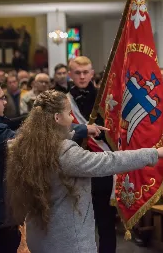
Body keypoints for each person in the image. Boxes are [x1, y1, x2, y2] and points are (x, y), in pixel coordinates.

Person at [5, 90, 163, 253]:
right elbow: (109, 161)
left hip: (39, 236)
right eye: (68, 113)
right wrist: (152, 153)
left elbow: (51, 142)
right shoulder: (64, 152)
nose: (72, 117)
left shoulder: (25, 145)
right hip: (67, 240)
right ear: (57, 117)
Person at [0, 78, 100, 253]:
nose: (5, 102)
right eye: (1, 98)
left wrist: (44, 115)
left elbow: (13, 122)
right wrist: (79, 129)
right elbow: (36, 141)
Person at [67, 56, 117, 253]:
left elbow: (115, 131)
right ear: (70, 74)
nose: (81, 76)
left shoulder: (106, 99)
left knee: (106, 223)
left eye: (85, 72)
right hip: (76, 167)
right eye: (77, 73)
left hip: (102, 166)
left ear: (92, 73)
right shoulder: (63, 100)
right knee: (78, 223)